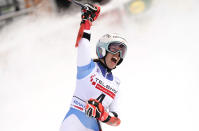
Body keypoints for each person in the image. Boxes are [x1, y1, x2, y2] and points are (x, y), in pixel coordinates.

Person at [60, 3, 127, 131]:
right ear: (103, 50)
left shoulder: (116, 85)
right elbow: (83, 44)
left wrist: (103, 115)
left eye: (121, 52)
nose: (117, 55)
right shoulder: (88, 67)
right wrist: (87, 20)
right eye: (114, 49)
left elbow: (116, 120)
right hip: (73, 124)